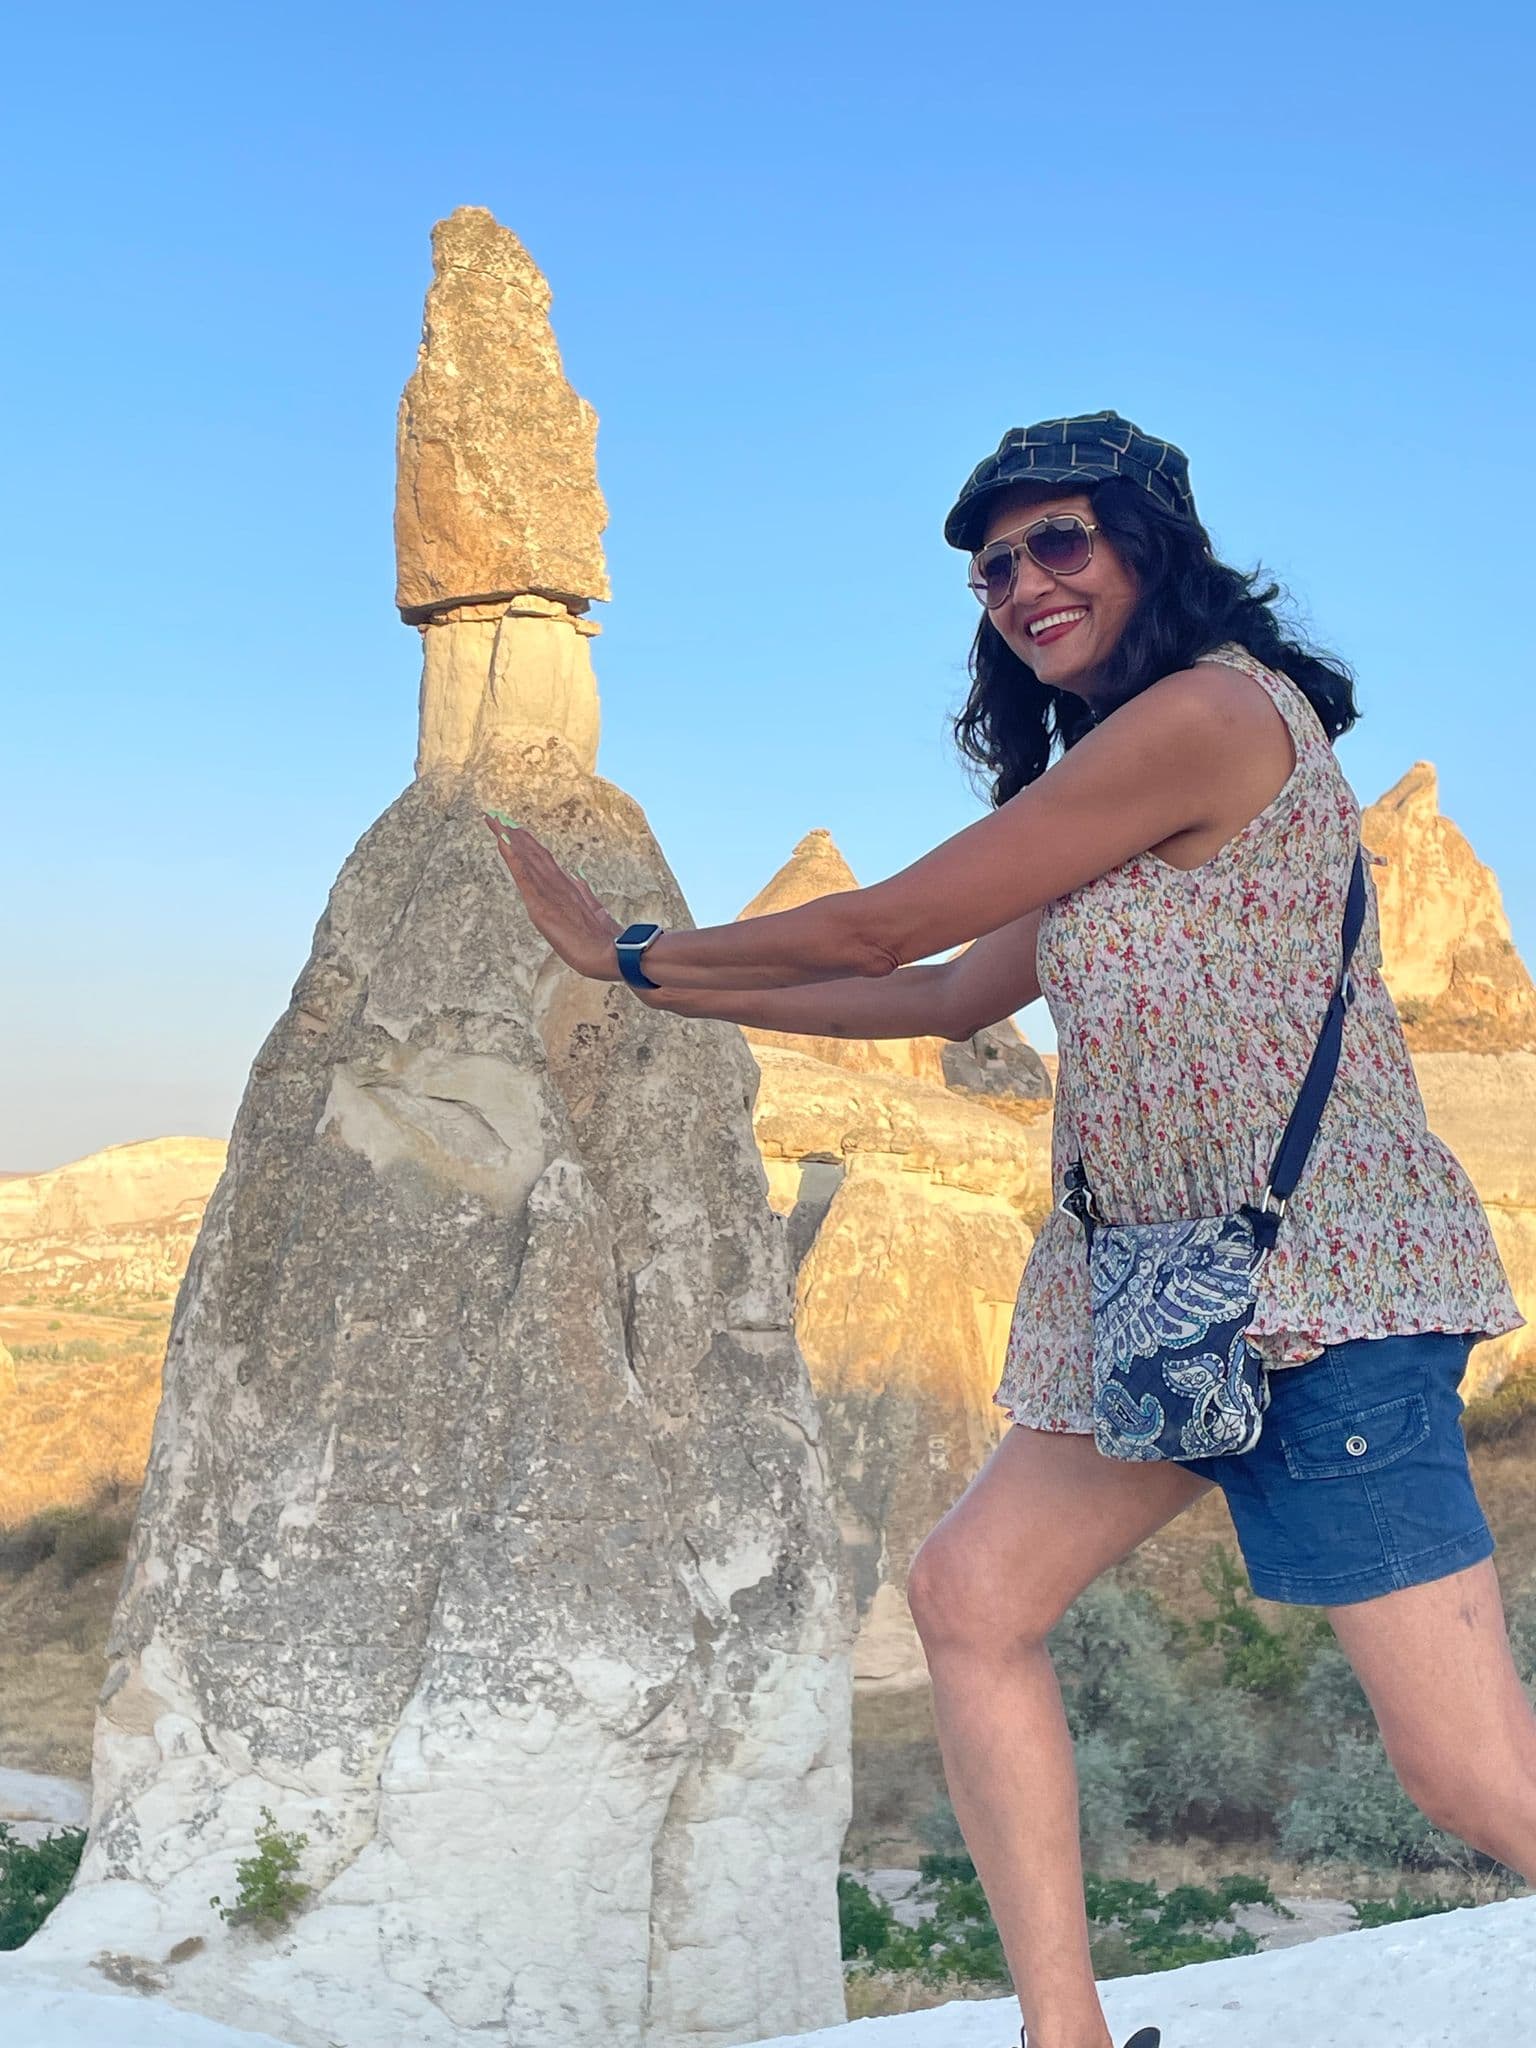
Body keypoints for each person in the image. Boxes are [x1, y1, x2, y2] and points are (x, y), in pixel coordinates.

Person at [484, 410, 1529, 2048]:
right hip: (1170, 1300)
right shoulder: (1107, 789)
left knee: (1469, 1774)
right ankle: (1066, 2037)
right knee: (974, 1594)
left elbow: (898, 916)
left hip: (1326, 1289)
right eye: (993, 565)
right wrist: (671, 991)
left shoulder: (1205, 716)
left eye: (1062, 542)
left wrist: (630, 957)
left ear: (1151, 548)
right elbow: (940, 992)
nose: (1023, 583)